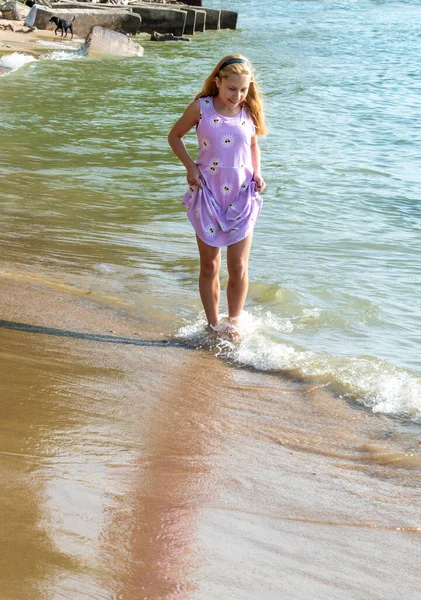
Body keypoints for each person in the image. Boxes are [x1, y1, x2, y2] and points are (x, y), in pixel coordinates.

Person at [168, 54, 267, 333]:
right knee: (210, 266)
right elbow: (174, 136)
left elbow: (252, 146)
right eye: (231, 89)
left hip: (242, 196)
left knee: (238, 267)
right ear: (218, 82)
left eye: (243, 89)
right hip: (208, 192)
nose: (237, 95)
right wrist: (190, 167)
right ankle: (212, 326)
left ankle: (234, 324)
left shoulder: (249, 111)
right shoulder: (202, 108)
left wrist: (258, 173)